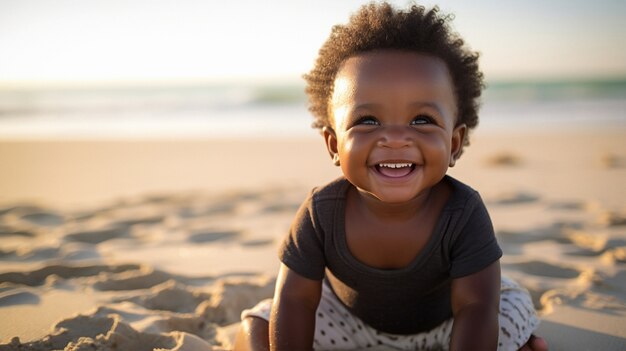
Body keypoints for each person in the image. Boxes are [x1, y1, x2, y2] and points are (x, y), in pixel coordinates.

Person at [234, 2, 548, 350]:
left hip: (449, 328)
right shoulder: (321, 212)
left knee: (505, 309)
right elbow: (297, 301)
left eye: (422, 120)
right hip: (352, 324)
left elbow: (475, 307)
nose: (396, 138)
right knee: (258, 326)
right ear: (334, 144)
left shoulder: (463, 212)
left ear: (455, 143)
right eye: (368, 121)